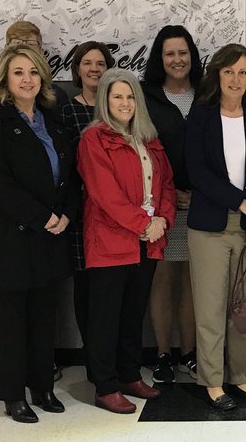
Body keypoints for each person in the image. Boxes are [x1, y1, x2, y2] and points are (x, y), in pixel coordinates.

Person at [0, 44, 75, 423]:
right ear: (5, 78)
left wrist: (64, 214)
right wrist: (42, 217)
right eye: (18, 72)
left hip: (51, 232)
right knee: (13, 316)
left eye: (33, 72)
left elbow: (68, 176)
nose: (27, 79)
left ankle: (42, 386)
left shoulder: (51, 117)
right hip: (12, 235)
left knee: (44, 314)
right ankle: (12, 394)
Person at [78, 69, 176, 413]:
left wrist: (162, 220)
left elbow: (165, 184)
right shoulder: (94, 139)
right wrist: (144, 224)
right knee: (106, 316)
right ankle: (105, 386)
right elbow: (105, 193)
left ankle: (129, 374)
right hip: (111, 241)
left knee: (133, 313)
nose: (124, 103)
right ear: (105, 100)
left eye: (130, 96)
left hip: (148, 241)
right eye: (117, 96)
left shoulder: (149, 139)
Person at [185, 44, 246, 410]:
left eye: (242, 73)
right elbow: (198, 172)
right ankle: (212, 382)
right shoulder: (201, 116)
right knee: (210, 310)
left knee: (245, 309)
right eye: (228, 72)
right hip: (209, 229)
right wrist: (242, 204)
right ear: (217, 76)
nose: (235, 79)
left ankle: (239, 378)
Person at [142, 25, 200, 382]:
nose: (177, 60)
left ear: (191, 56)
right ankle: (164, 354)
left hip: (201, 204)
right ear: (160, 59)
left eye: (182, 53)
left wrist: (197, 193)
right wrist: (168, 195)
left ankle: (190, 354)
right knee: (161, 280)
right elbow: (142, 149)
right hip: (160, 207)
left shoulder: (207, 94)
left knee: (194, 282)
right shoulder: (146, 96)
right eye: (170, 54)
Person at [59, 40, 116, 378]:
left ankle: (111, 363)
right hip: (82, 215)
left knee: (112, 292)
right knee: (87, 292)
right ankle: (94, 362)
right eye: (87, 63)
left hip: (119, 216)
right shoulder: (68, 110)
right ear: (77, 70)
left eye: (100, 63)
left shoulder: (119, 107)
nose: (94, 68)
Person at [0, 20, 71, 113]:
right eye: (17, 43)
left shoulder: (56, 94)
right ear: (6, 50)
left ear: (41, 52)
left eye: (31, 44)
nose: (24, 49)